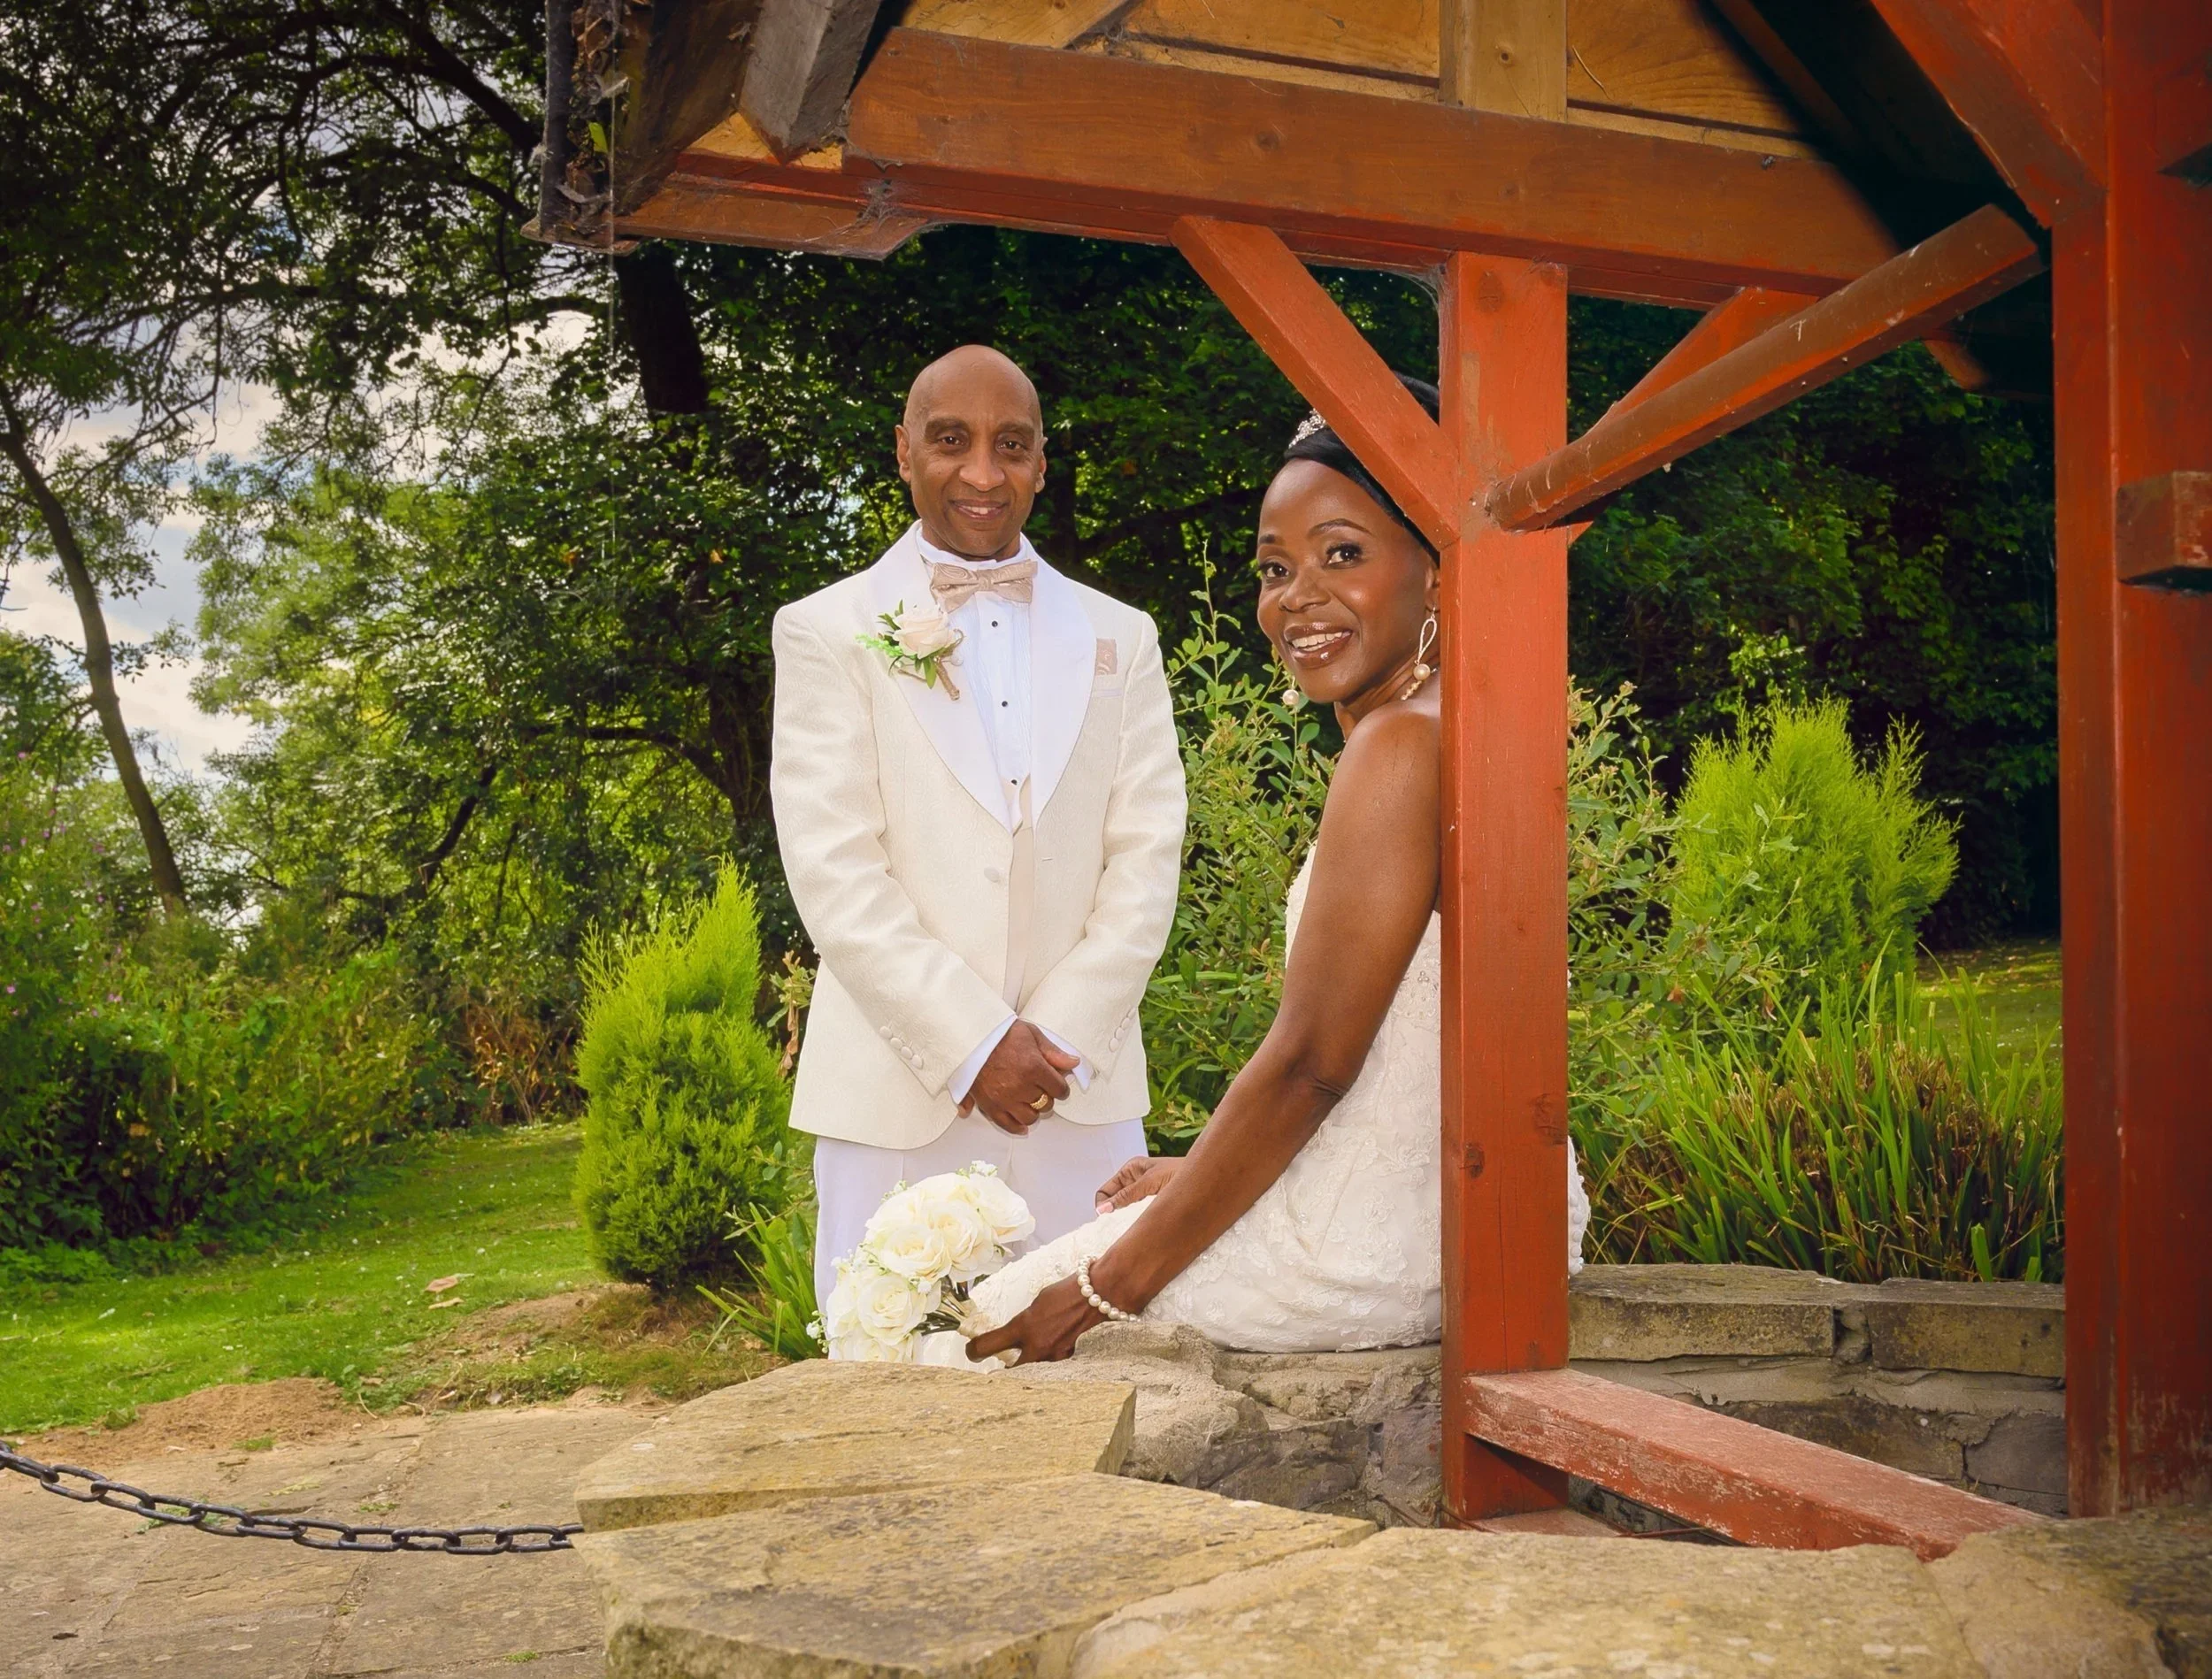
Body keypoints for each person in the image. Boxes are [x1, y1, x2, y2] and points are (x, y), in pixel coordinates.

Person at [964, 378, 1587, 1365]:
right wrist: (1205, 1169)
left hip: (1372, 1248)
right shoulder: (1465, 726)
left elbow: (1310, 1067)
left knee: (989, 1319)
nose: (1295, 596)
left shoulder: (1396, 749)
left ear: (1438, 568)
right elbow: (1392, 1054)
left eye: (1342, 553)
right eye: (1274, 566)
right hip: (1481, 1218)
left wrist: (1098, 1290)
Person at [770, 344, 1187, 1309]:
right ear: (904, 452)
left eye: (1012, 444)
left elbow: (1146, 854)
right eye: (951, 441)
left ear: (1043, 462)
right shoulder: (827, 630)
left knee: (1103, 1371)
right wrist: (971, 1043)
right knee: (897, 1385)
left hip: (1077, 1094)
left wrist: (1055, 1043)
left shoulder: (1121, 638)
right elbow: (835, 868)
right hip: (899, 1094)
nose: (983, 473)